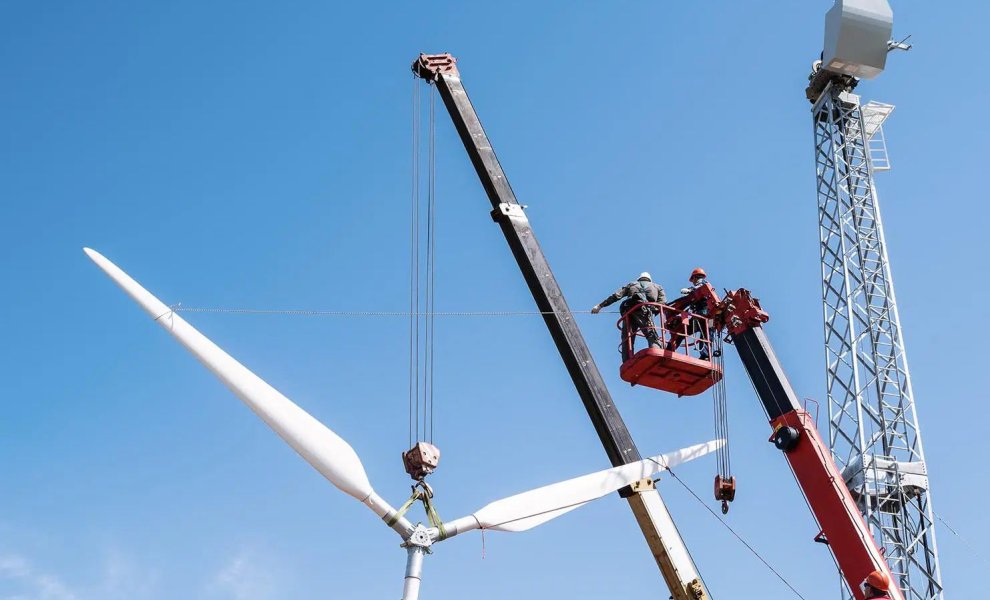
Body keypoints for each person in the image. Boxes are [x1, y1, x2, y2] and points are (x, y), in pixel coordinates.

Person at [591, 272, 666, 362]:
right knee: (651, 335)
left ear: (639, 279)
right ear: (650, 279)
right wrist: (653, 310)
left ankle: (627, 361)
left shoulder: (632, 284)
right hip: (645, 313)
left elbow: (616, 296)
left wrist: (600, 306)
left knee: (627, 338)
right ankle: (657, 355)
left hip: (629, 313)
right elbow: (662, 303)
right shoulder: (657, 287)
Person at [679, 267, 712, 361]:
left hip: (702, 315)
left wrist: (689, 291)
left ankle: (669, 348)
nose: (693, 282)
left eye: (693, 280)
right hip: (711, 318)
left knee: (682, 332)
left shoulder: (703, 284)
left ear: (695, 278)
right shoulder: (706, 286)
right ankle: (705, 355)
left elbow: (697, 289)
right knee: (707, 335)